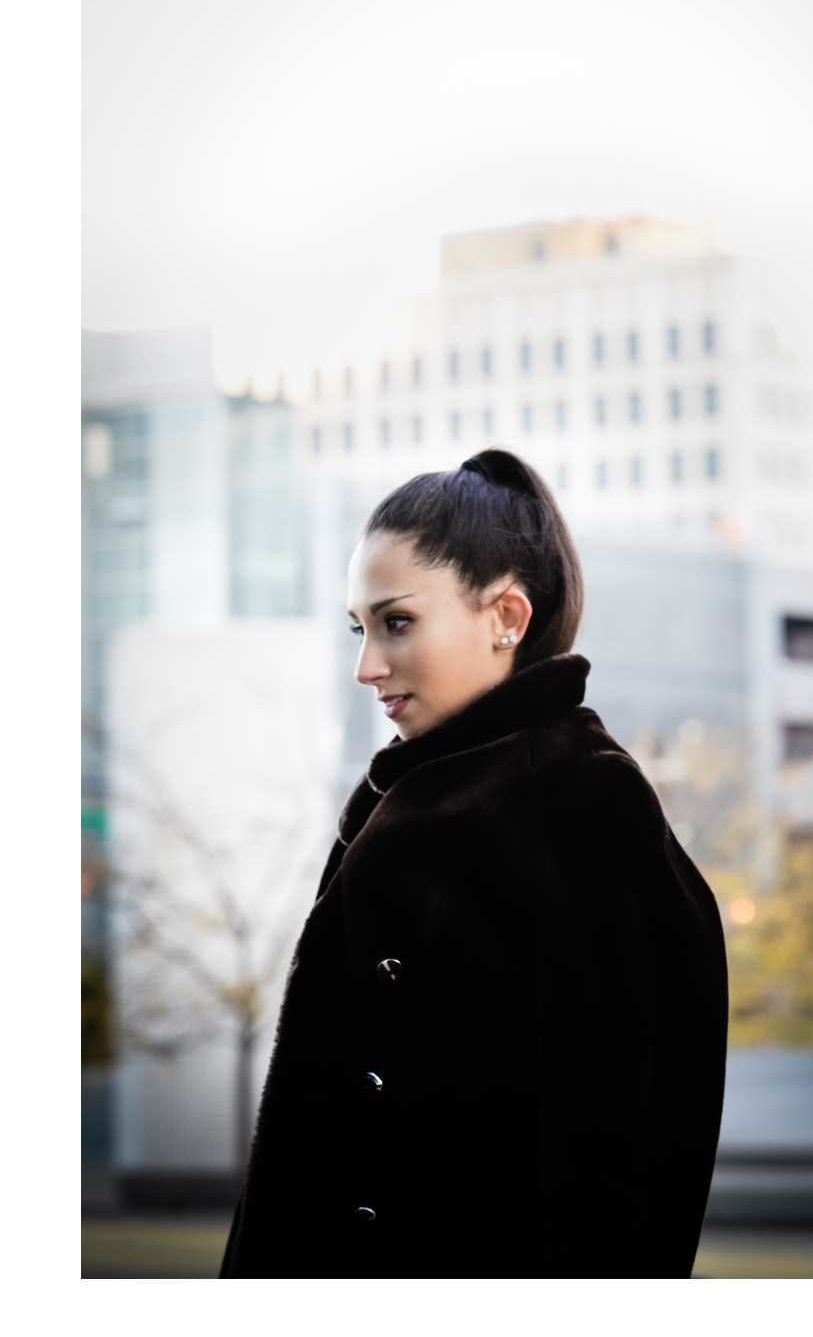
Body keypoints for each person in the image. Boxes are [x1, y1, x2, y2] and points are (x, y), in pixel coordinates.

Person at [220, 448, 728, 1278]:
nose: (366, 667)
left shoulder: (583, 800)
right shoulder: (400, 798)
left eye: (397, 622)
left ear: (507, 617)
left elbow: (612, 1156)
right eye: (360, 628)